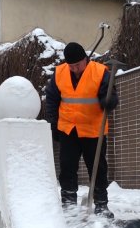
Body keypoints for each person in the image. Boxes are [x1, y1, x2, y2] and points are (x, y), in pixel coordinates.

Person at [44, 41, 119, 218]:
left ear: (85, 59)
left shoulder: (100, 72)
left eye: (77, 65)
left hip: (93, 130)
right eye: (71, 66)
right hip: (68, 130)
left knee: (98, 168)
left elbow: (110, 93)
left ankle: (101, 205)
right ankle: (68, 205)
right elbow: (52, 100)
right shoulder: (60, 73)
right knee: (67, 168)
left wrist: (108, 102)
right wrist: (53, 124)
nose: (74, 69)